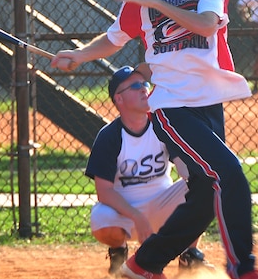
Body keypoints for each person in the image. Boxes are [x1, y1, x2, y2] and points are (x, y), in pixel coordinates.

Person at [51, 0, 258, 279]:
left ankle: (143, 263)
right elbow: (115, 38)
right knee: (228, 173)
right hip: (171, 105)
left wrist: (154, 3)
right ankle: (243, 267)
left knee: (202, 195)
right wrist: (79, 55)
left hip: (209, 102)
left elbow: (205, 24)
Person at [86, 65, 214, 276]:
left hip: (163, 204)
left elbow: (183, 165)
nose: (144, 89)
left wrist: (191, 175)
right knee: (100, 219)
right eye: (135, 86)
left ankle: (189, 254)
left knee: (205, 183)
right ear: (119, 99)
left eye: (145, 84)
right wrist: (137, 217)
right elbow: (104, 192)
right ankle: (119, 250)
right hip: (126, 213)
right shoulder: (109, 136)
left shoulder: (162, 125)